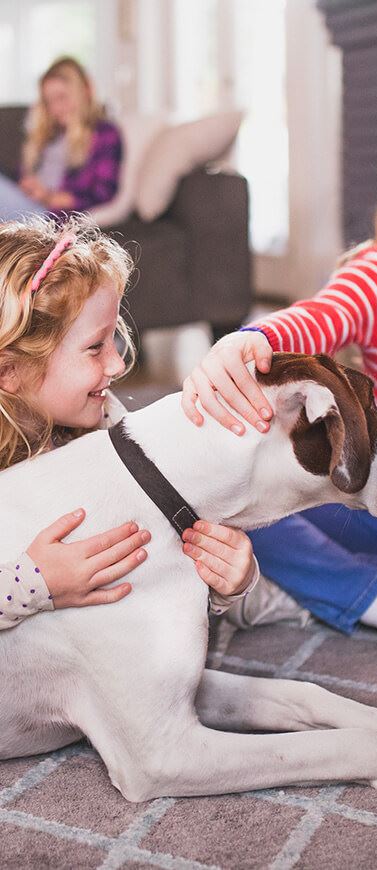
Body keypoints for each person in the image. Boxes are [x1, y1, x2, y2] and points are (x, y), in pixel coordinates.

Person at [182, 91, 377, 668]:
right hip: (371, 508)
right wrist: (251, 342)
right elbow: (319, 317)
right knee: (232, 492)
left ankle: (313, 586)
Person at [0, 214, 257, 630]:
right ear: (9, 372)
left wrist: (232, 584)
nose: (118, 364)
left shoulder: (105, 418)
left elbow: (159, 566)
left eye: (114, 339)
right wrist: (36, 583)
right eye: (94, 347)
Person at [0, 57, 122, 221]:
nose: (55, 109)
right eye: (49, 101)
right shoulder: (50, 133)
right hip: (27, 203)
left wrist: (48, 197)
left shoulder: (104, 134)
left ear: (85, 90)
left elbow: (102, 193)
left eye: (62, 97)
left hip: (47, 216)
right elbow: (23, 175)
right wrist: (26, 185)